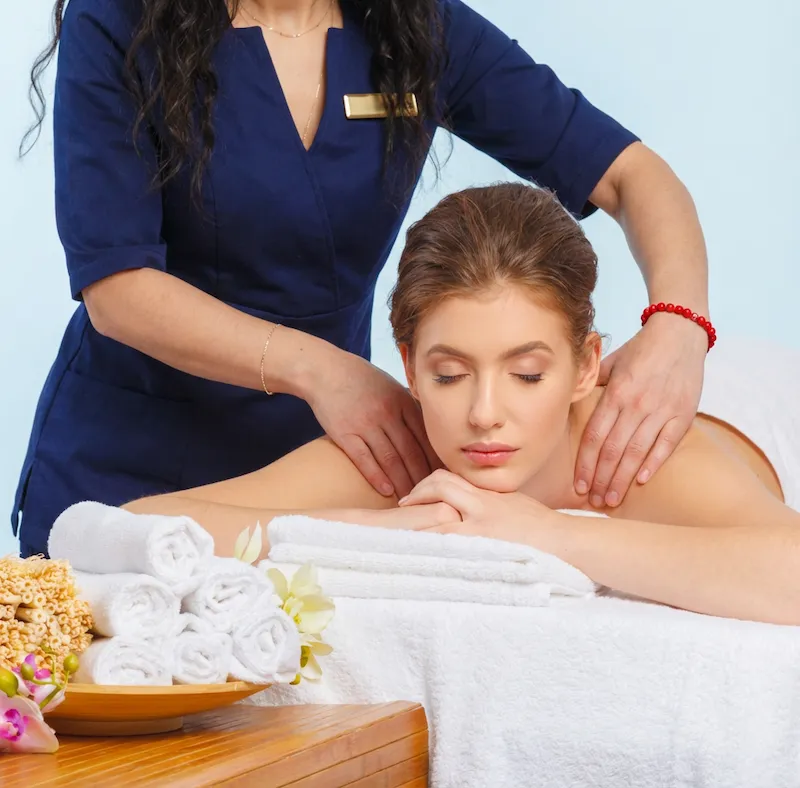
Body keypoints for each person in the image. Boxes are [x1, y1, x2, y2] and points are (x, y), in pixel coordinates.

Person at [14, 0, 710, 558]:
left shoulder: (414, 25)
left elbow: (631, 173)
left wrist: (680, 322)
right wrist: (324, 372)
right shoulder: (119, 21)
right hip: (132, 457)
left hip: (332, 475)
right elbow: (119, 286)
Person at [125, 184, 800, 626]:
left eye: (528, 375)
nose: (483, 414)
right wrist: (369, 528)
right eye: (450, 375)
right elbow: (133, 527)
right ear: (410, 366)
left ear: (586, 366)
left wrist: (545, 531)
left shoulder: (632, 447)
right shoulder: (406, 450)